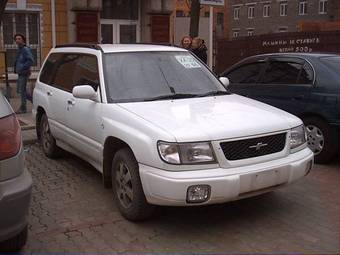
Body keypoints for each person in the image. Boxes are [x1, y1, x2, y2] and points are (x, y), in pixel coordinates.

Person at [14, 33, 34, 114]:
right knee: (21, 90)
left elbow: (31, 60)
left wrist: (22, 67)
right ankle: (34, 100)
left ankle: (23, 108)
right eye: (16, 39)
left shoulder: (25, 49)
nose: (17, 40)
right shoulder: (20, 49)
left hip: (24, 73)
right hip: (20, 73)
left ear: (23, 40)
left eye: (19, 38)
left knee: (22, 91)